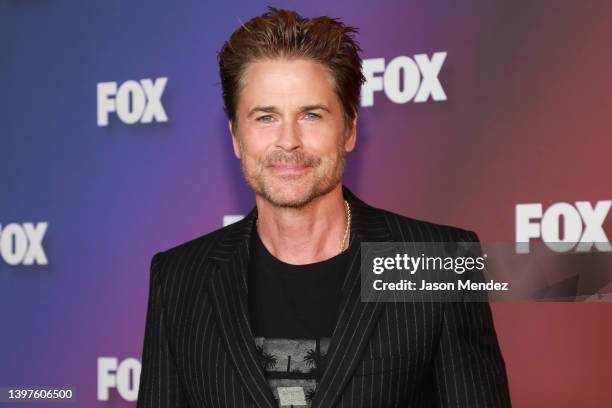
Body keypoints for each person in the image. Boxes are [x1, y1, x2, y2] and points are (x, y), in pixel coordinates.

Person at [137, 7, 511, 408]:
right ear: (235, 136)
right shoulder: (179, 278)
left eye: (311, 115)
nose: (288, 141)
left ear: (349, 128)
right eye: (266, 117)